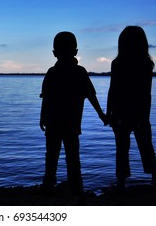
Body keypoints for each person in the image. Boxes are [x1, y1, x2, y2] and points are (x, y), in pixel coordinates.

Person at [40, 31, 107, 195]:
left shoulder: (52, 72)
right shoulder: (79, 72)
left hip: (54, 123)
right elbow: (91, 96)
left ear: (54, 53)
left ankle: (50, 185)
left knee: (52, 156)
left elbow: (46, 99)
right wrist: (101, 114)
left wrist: (43, 117)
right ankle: (75, 186)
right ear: (76, 52)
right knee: (72, 157)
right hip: (70, 124)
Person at [107, 26, 156, 190]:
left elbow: (114, 89)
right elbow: (146, 93)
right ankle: (154, 179)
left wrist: (109, 112)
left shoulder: (122, 63)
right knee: (144, 146)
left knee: (123, 148)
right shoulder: (145, 63)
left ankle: (122, 182)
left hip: (124, 113)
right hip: (135, 113)